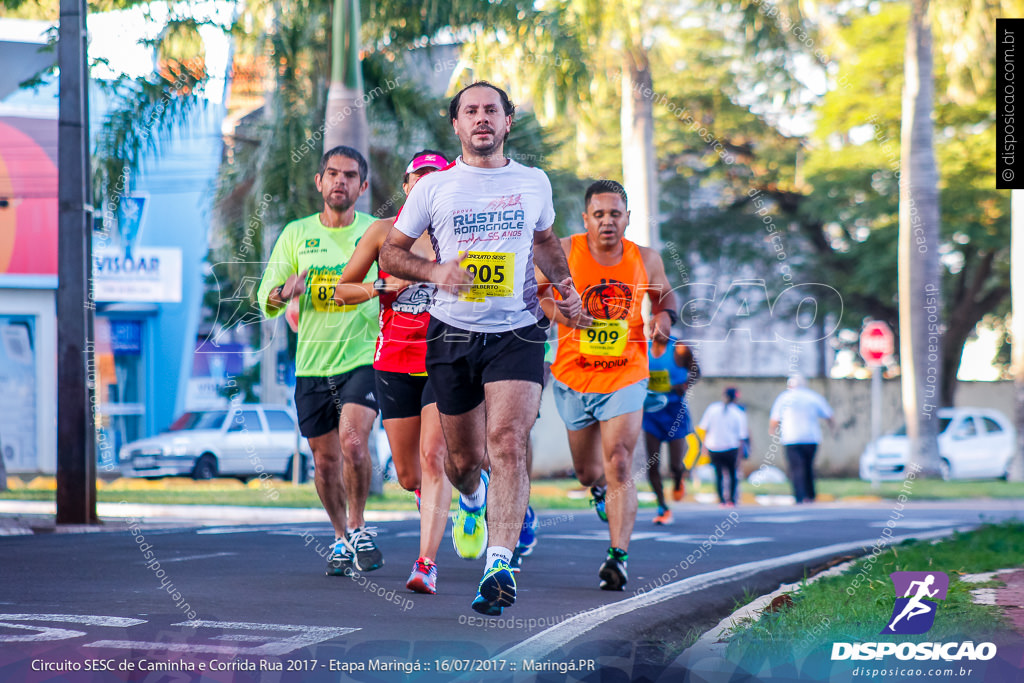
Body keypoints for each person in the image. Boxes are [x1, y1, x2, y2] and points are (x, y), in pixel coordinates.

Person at [378, 82, 584, 615]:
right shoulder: (434, 189)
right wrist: (435, 270)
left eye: (491, 110)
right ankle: (472, 500)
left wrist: (564, 288)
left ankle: (498, 564)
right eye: (470, 111)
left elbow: (544, 241)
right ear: (456, 125)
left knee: (508, 442)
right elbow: (392, 254)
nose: (481, 118)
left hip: (517, 330)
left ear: (508, 121)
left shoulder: (533, 182)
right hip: (450, 334)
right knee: (464, 461)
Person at [538, 179, 678, 591]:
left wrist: (664, 318)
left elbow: (666, 296)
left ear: (627, 218)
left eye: (615, 214)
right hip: (572, 375)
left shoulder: (644, 259)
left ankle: (618, 556)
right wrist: (561, 315)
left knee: (619, 460)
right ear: (586, 219)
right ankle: (596, 489)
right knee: (587, 471)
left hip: (626, 374)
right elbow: (536, 293)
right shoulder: (564, 251)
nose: (607, 222)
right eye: (598, 214)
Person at [257, 145, 383, 577]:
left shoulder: (375, 232)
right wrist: (284, 292)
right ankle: (340, 538)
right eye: (332, 174)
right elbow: (266, 297)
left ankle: (360, 525)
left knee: (352, 443)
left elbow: (399, 281)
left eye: (349, 175)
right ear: (319, 181)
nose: (339, 181)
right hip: (312, 365)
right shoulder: (296, 234)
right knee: (326, 462)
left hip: (363, 356)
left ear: (362, 187)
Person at [333, 150, 452, 594]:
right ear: (405, 186)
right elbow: (341, 290)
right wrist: (380, 285)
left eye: (434, 178)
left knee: (434, 456)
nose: (424, 184)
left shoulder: (457, 233)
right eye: (417, 177)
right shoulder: (382, 233)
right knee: (408, 475)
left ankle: (426, 564)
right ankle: (449, 498)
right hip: (394, 363)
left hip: (445, 360)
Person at [642, 335, 700, 525]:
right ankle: (662, 507)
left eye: (661, 323)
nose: (656, 328)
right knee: (653, 463)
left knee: (675, 464)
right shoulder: (642, 346)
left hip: (674, 411)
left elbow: (696, 371)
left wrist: (684, 385)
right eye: (652, 323)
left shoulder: (679, 348)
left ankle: (678, 481)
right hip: (651, 411)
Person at [769, 374, 835, 504]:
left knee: (796, 468)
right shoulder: (813, 397)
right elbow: (829, 415)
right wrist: (833, 430)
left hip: (791, 439)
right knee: (808, 466)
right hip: (811, 438)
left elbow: (774, 419)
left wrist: (772, 431)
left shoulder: (784, 397)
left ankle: (800, 496)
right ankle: (810, 495)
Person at [698, 387, 750, 507]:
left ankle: (721, 500)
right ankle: (731, 500)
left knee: (718, 475)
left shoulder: (712, 409)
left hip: (714, 447)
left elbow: (704, 429)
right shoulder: (738, 412)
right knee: (732, 475)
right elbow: (742, 436)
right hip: (731, 447)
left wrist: (704, 446)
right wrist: (740, 454)